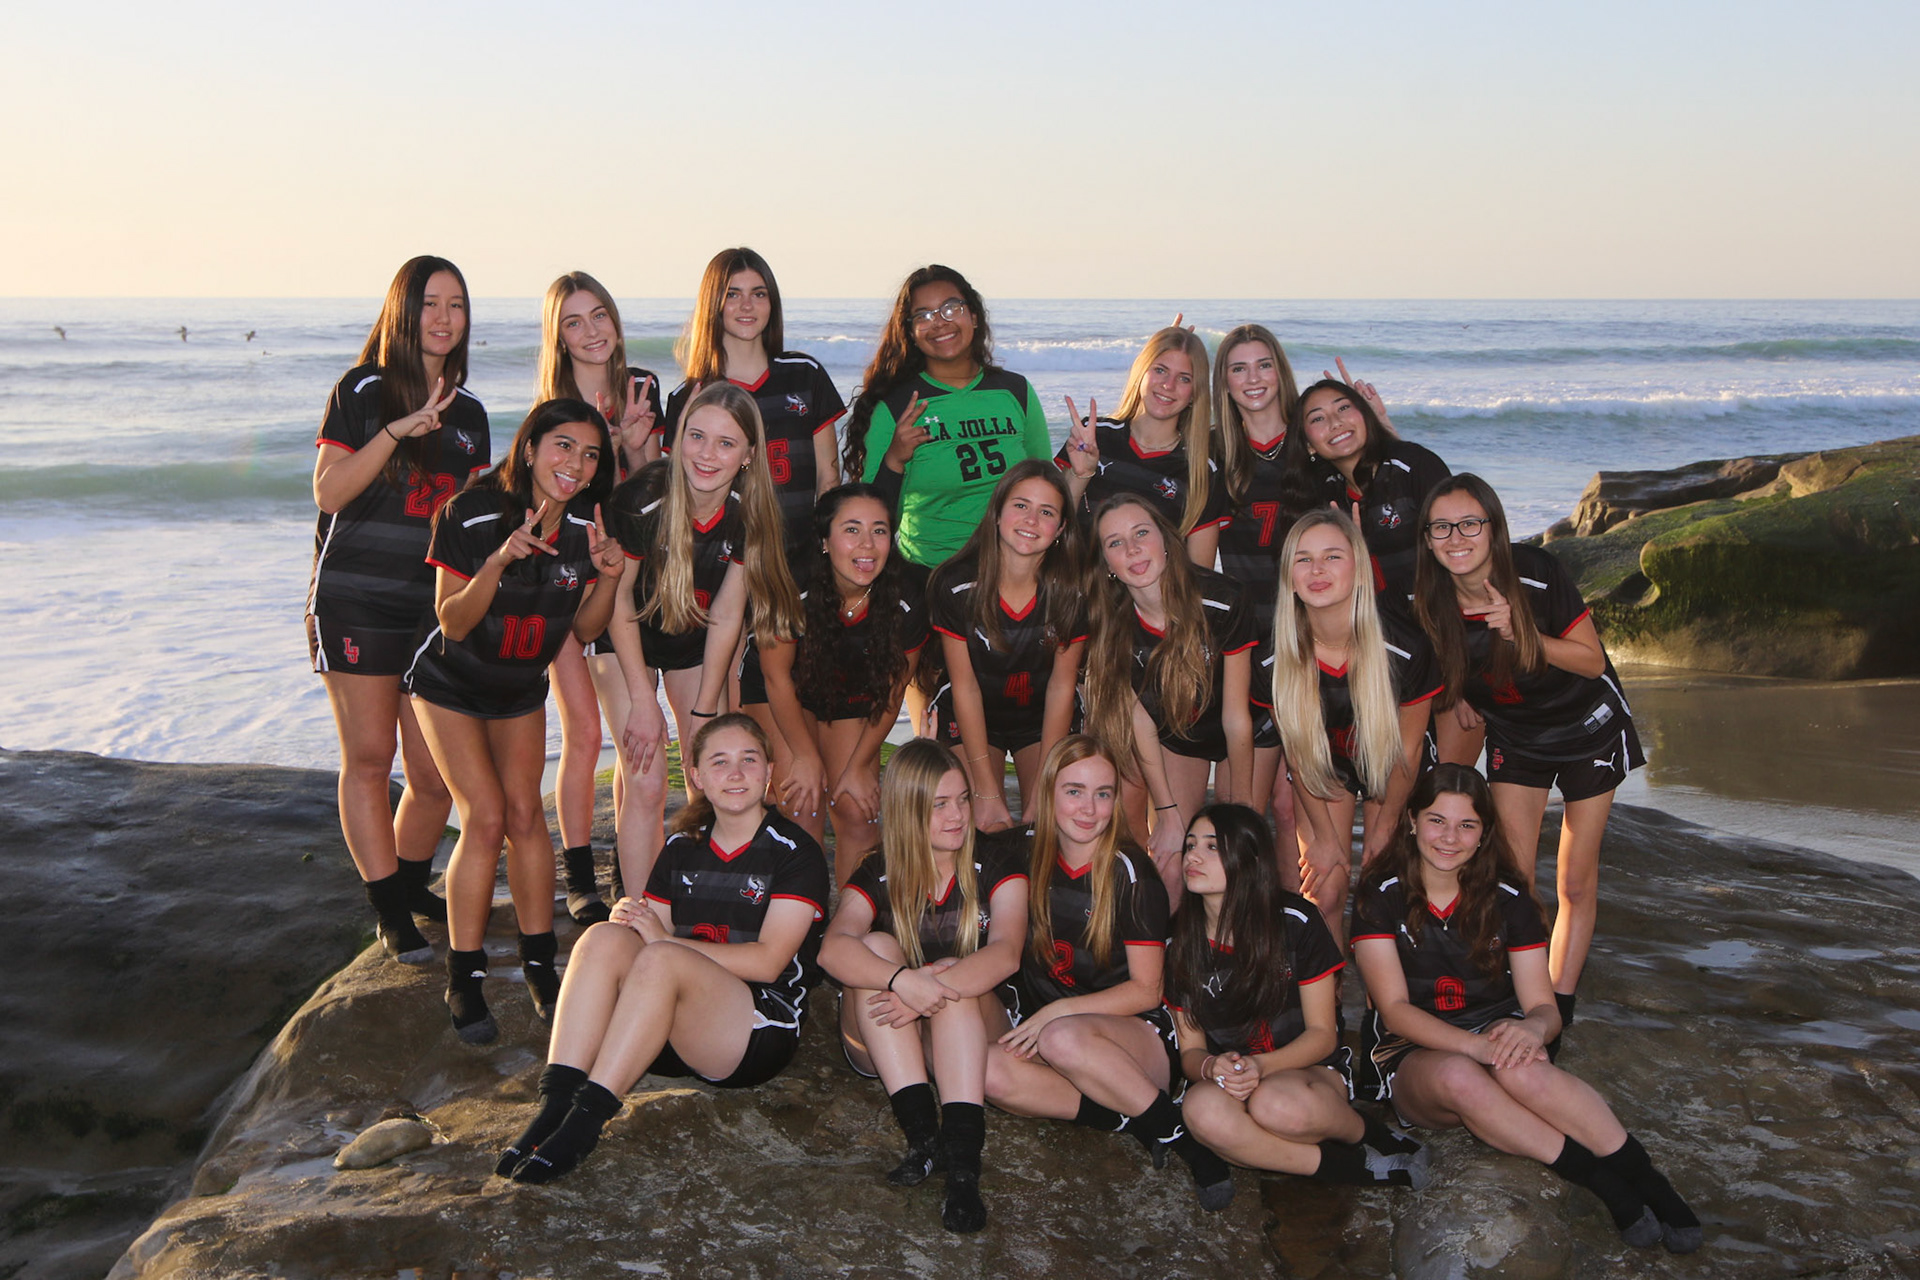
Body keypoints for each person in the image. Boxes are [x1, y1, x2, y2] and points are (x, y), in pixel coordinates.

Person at [1350, 764, 1701, 1253]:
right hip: (1416, 1057)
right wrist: (1476, 1048)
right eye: (1436, 820)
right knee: (1461, 1075)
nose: (1449, 837)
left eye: (1466, 825)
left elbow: (1544, 1006)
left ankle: (1649, 1180)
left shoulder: (1508, 896)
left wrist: (1534, 1029)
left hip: (1495, 1031)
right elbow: (1393, 1010)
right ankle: (1599, 1180)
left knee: (1524, 1071)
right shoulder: (1380, 894)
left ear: (1484, 833)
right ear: (1412, 820)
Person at [494, 714, 831, 1184]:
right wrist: (630, 921)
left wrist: (664, 941)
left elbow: (768, 962)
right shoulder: (681, 846)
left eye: (749, 760)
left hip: (754, 1033)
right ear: (697, 776)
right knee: (603, 937)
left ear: (769, 771)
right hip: (669, 1032)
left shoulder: (795, 852)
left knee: (663, 955)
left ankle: (586, 1122)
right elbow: (648, 935)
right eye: (719, 762)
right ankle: (554, 1106)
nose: (735, 773)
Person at [405, 399, 625, 1043]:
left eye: (590, 454)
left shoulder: (586, 527)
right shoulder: (470, 512)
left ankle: (539, 966)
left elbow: (583, 629)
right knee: (485, 816)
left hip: (518, 687)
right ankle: (464, 975)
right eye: (563, 446)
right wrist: (498, 560)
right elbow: (452, 622)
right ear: (529, 448)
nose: (576, 464)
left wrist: (610, 577)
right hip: (448, 682)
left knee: (527, 817)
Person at [1414, 475, 1644, 1034]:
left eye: (1470, 524)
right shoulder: (1427, 599)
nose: (1456, 538)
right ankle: (1525, 995)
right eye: (1441, 527)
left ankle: (1557, 1007)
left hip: (1588, 728)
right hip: (1517, 734)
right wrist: (1456, 692)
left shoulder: (1535, 573)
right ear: (1426, 538)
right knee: (1513, 879)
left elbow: (1591, 661)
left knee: (1574, 881)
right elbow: (1431, 664)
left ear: (1494, 527)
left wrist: (1524, 635)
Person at [309, 255, 489, 963]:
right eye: (430, 304)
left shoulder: (471, 415)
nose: (444, 318)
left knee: (434, 775)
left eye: (456, 305)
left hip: (432, 612)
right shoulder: (362, 389)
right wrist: (395, 431)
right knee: (368, 757)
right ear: (402, 312)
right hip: (355, 599)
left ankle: (410, 885)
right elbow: (329, 492)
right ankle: (389, 911)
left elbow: (473, 523)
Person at [982, 735, 1236, 1212]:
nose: (1089, 808)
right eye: (1074, 791)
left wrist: (1057, 1012)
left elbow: (1147, 991)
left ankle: (1183, 1141)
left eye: (1103, 793)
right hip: (1053, 1033)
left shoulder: (1132, 875)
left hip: (1135, 1039)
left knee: (1061, 1037)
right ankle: (1126, 1118)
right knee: (988, 1072)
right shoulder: (1021, 850)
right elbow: (944, 845)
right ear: (1048, 791)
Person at [821, 739, 1030, 1233]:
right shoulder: (879, 868)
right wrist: (902, 982)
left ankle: (963, 1168)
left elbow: (1006, 952)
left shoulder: (997, 859)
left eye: (963, 799)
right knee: (874, 947)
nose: (957, 815)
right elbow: (831, 949)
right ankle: (922, 1138)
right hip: (888, 1038)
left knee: (957, 974)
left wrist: (929, 989)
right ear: (907, 809)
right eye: (939, 805)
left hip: (970, 1034)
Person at [605, 382, 802, 898]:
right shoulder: (642, 498)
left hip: (693, 638)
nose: (707, 454)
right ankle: (639, 911)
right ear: (678, 438)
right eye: (696, 436)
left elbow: (728, 613)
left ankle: (705, 896)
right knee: (647, 778)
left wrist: (704, 709)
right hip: (625, 636)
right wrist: (643, 699)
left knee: (708, 768)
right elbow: (618, 601)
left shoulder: (751, 511)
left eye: (725, 443)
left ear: (748, 454)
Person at [1168, 803, 1428, 1187]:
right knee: (1200, 1111)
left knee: (1274, 1105)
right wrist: (1212, 1068)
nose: (1193, 856)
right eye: (1190, 845)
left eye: (1212, 847)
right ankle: (1350, 1170)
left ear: (1251, 860)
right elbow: (1191, 1052)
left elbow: (1323, 1035)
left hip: (1309, 1070)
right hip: (1233, 1079)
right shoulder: (1178, 941)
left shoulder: (1296, 921)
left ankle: (1370, 1134)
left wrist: (1261, 1067)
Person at [535, 271, 666, 925]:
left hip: (630, 579)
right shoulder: (552, 407)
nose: (590, 331)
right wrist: (601, 449)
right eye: (573, 321)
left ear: (615, 319)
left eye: (599, 315)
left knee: (630, 737)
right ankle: (581, 875)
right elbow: (552, 495)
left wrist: (636, 447)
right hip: (565, 579)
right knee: (584, 734)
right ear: (558, 337)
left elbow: (654, 491)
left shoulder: (642, 386)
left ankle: (628, 877)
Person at [1261, 509, 1440, 941]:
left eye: (1332, 557)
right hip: (1324, 770)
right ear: (1289, 578)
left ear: (1359, 569)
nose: (1317, 570)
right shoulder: (1273, 659)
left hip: (1391, 767)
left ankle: (1391, 985)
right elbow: (1299, 756)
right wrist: (1324, 839)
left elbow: (1409, 751)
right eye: (1303, 559)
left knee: (1385, 893)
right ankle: (1330, 985)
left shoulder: (1405, 647)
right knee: (1324, 892)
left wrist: (1386, 826)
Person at [743, 484, 927, 885]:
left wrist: (859, 765)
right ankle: (803, 914)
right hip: (782, 689)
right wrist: (805, 756)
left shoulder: (908, 595)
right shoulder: (792, 581)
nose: (867, 544)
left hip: (849, 693)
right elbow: (775, 676)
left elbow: (893, 692)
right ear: (825, 541)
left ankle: (854, 917)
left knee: (858, 811)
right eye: (852, 530)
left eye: (879, 530)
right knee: (803, 804)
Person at [1082, 496, 1254, 900]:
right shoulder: (1111, 622)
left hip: (1245, 730)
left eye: (1141, 533)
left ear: (1166, 540)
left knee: (1234, 851)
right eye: (1115, 543)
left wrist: (1244, 808)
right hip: (1180, 732)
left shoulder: (1222, 598)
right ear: (1106, 564)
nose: (1133, 549)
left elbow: (1236, 717)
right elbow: (1140, 721)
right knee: (1172, 860)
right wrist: (1168, 815)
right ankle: (1162, 935)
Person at [843, 265, 1051, 576]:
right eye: (923, 316)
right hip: (931, 576)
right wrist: (895, 459)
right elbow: (874, 523)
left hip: (1015, 571)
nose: (939, 322)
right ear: (910, 333)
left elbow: (1047, 487)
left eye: (951, 308)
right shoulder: (896, 406)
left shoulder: (1015, 391)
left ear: (974, 316)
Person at [924, 461, 1087, 831]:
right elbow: (964, 687)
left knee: (1049, 820)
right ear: (996, 512)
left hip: (1040, 716)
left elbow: (1062, 688)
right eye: (1021, 505)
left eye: (1047, 512)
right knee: (979, 821)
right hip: (972, 713)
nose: (1031, 520)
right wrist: (985, 792)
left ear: (1061, 528)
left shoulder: (1071, 591)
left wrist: (1044, 786)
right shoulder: (955, 584)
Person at [659, 248, 847, 564]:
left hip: (800, 559)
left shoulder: (805, 374)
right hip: (724, 564)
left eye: (758, 294)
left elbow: (828, 480)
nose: (747, 305)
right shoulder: (691, 396)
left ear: (772, 303)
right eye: (733, 294)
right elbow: (680, 494)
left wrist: (826, 550)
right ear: (713, 304)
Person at [1210, 324, 1306, 854]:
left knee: (1294, 809)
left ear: (1280, 371)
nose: (1253, 378)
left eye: (1264, 364)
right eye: (1238, 368)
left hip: (1309, 639)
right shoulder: (1212, 450)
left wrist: (1380, 427)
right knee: (1240, 804)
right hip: (1244, 643)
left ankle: (1298, 904)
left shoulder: (1311, 441)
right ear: (1222, 381)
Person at [1060, 326, 1227, 566]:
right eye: (1160, 370)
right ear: (1141, 372)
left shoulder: (1201, 470)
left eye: (1184, 378)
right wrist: (1081, 474)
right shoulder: (1097, 437)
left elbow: (1200, 573)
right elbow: (1055, 528)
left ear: (1194, 392)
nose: (1168, 385)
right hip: (1081, 587)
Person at [1283, 377, 1450, 608]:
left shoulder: (1412, 466)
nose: (1335, 422)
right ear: (1308, 444)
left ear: (1365, 414)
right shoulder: (1322, 493)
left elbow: (1459, 541)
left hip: (1438, 612)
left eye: (1344, 407)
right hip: (1374, 621)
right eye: (1318, 418)